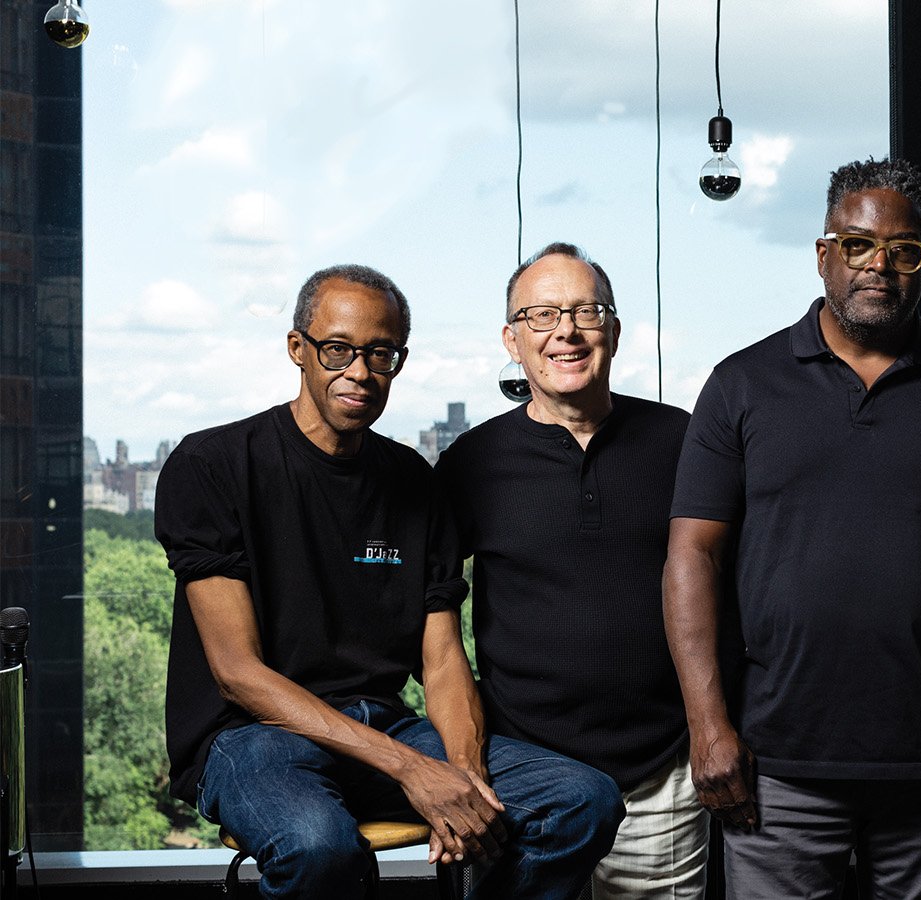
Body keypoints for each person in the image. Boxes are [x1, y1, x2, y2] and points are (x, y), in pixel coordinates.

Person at [157, 264, 623, 899]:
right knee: (318, 848)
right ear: (298, 350)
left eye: (381, 354)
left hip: (384, 726)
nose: (359, 372)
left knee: (581, 800)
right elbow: (238, 672)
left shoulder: (415, 481)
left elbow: (440, 657)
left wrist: (464, 777)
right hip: (253, 737)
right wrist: (412, 770)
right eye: (338, 350)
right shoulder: (212, 465)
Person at [664, 157, 921, 898]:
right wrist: (708, 727)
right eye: (859, 245)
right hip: (777, 764)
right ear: (823, 253)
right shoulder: (742, 383)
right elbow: (692, 558)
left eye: (905, 251)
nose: (881, 266)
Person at [437, 243, 708, 898]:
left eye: (587, 311)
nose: (566, 330)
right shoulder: (470, 464)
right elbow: (430, 620)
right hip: (525, 781)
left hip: (660, 779)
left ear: (613, 330)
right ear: (512, 338)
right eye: (542, 315)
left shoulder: (685, 442)